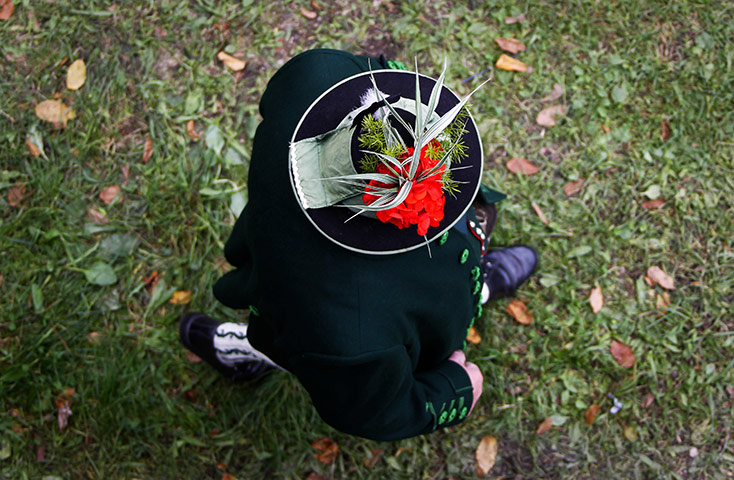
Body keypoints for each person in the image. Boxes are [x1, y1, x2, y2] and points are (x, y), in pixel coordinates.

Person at [179, 49, 538, 441]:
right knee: (291, 344)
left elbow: (381, 82)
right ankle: (248, 350)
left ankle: (477, 284)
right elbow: (375, 411)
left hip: (413, 290)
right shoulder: (348, 336)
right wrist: (454, 390)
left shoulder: (317, 74)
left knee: (459, 279)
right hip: (318, 315)